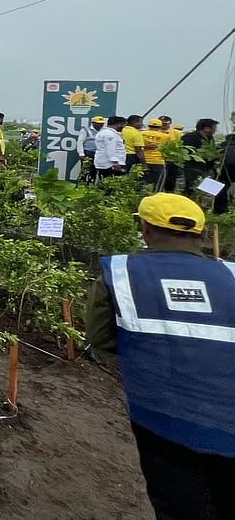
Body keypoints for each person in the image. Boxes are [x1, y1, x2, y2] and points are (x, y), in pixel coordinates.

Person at [85, 193, 235, 519]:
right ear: (202, 234)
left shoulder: (123, 273)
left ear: (145, 228)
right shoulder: (232, 275)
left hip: (163, 418)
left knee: (179, 504)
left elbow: (100, 339)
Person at [182, 118, 219, 195]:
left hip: (207, 168)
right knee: (192, 189)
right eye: (214, 127)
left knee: (207, 192)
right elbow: (186, 152)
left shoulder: (210, 138)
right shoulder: (190, 137)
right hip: (193, 168)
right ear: (206, 128)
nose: (216, 130)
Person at [142, 118, 168, 191]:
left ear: (148, 125)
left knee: (140, 182)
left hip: (143, 160)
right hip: (158, 161)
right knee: (157, 184)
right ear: (160, 126)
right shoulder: (165, 136)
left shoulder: (141, 134)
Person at [77, 116, 105, 183]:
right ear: (93, 123)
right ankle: (81, 185)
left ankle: (91, 185)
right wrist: (81, 154)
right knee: (85, 171)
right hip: (88, 153)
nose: (100, 125)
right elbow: (80, 142)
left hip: (98, 154)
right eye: (98, 123)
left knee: (94, 171)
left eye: (102, 123)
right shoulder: (86, 130)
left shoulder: (104, 131)